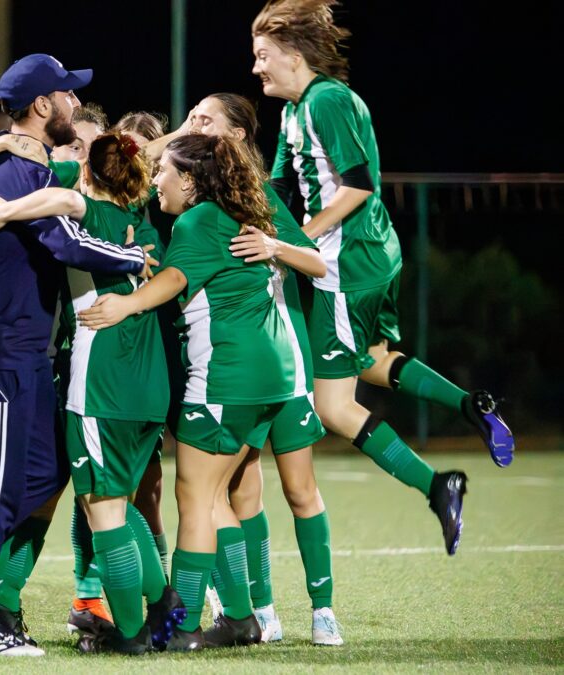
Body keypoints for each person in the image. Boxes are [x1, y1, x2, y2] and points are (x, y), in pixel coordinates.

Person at [0, 54, 154, 657]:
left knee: (43, 474)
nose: (76, 105)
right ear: (43, 106)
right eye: (67, 95)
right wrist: (133, 259)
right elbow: (65, 242)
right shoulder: (19, 165)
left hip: (19, 347)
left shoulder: (27, 161)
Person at [251, 0, 513, 558]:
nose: (257, 68)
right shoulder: (295, 110)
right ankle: (473, 406)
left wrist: (299, 238)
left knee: (333, 407)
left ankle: (437, 485)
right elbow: (276, 186)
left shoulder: (328, 101)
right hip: (362, 258)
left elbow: (359, 185)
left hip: (348, 264)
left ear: (294, 55)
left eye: (264, 55)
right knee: (369, 356)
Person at [79, 132, 299, 652]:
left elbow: (176, 277)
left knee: (193, 496)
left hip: (229, 373)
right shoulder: (242, 214)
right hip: (272, 376)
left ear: (191, 181)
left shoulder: (197, 219)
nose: (156, 180)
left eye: (165, 173)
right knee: (216, 493)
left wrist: (126, 306)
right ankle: (242, 619)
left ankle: (182, 629)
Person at [0, 131, 186, 655]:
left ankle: (132, 636)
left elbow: (61, 199)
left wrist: (4, 208)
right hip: (149, 385)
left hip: (100, 381)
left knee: (103, 510)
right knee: (121, 503)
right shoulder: (144, 225)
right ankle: (166, 613)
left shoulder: (84, 208)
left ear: (89, 173)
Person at [186, 91, 339, 645]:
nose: (193, 126)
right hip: (234, 372)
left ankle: (323, 611)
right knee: (242, 493)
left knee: (300, 489)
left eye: (206, 119)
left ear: (237, 136)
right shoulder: (195, 204)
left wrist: (274, 245)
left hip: (286, 366)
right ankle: (262, 610)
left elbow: (320, 265)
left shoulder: (261, 199)